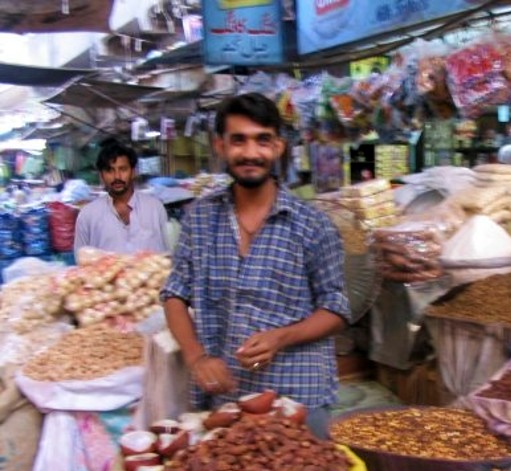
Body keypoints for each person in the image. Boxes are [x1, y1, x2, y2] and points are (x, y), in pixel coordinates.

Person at [161, 93, 350, 437]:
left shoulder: (312, 224)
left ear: (278, 146)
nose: (250, 153)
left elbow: (335, 309)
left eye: (262, 140)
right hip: (226, 395)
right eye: (239, 140)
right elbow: (174, 295)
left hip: (298, 394)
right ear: (220, 146)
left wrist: (282, 337)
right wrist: (197, 358)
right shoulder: (201, 217)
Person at [74, 137, 169, 254]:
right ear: (101, 176)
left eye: (123, 169)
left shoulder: (155, 208)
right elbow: (81, 260)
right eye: (109, 170)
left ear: (133, 172)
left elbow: (167, 256)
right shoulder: (87, 216)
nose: (117, 176)